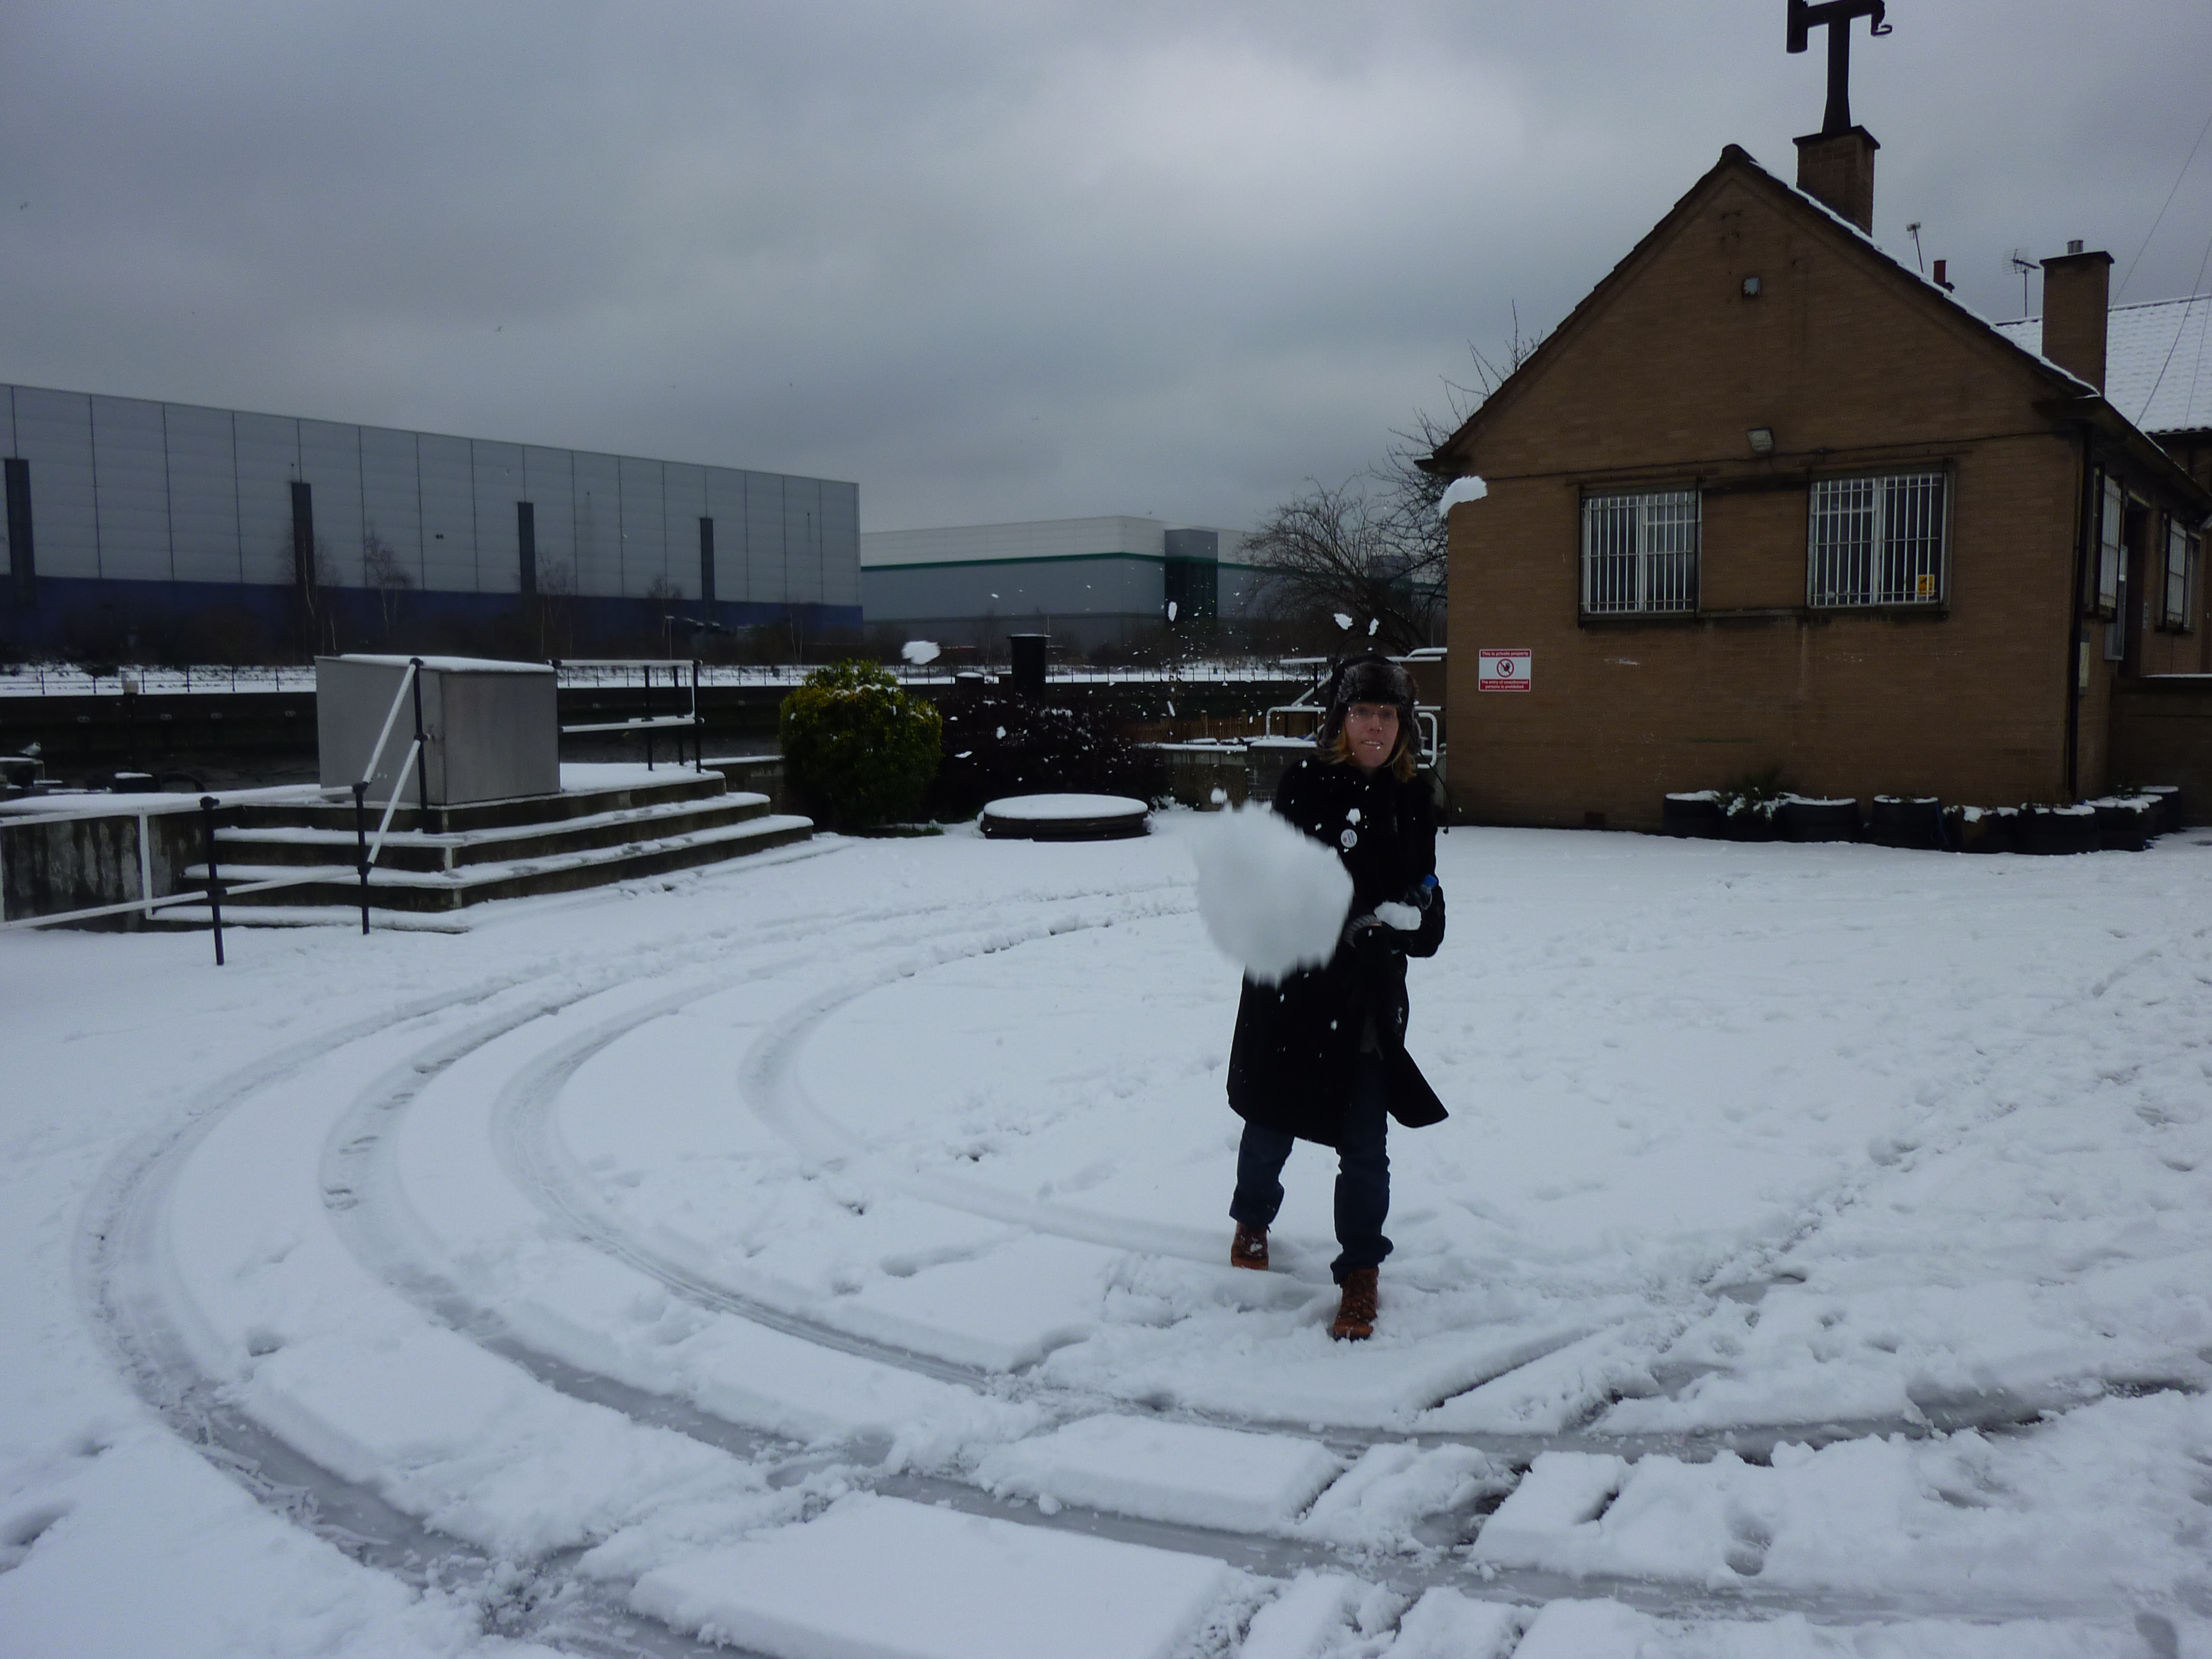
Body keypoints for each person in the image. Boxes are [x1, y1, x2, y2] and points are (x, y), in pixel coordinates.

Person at [1224, 652, 1448, 1340]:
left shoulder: (1416, 796)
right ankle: (1252, 1221)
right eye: (1361, 713)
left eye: (1386, 715)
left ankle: (1360, 1271)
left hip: (1366, 998)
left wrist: (1415, 919)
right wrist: (1333, 917)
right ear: (1340, 720)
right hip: (1296, 986)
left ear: (1403, 725)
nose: (1374, 727)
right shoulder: (1306, 785)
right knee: (1272, 1120)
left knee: (1365, 1144)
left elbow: (1428, 898)